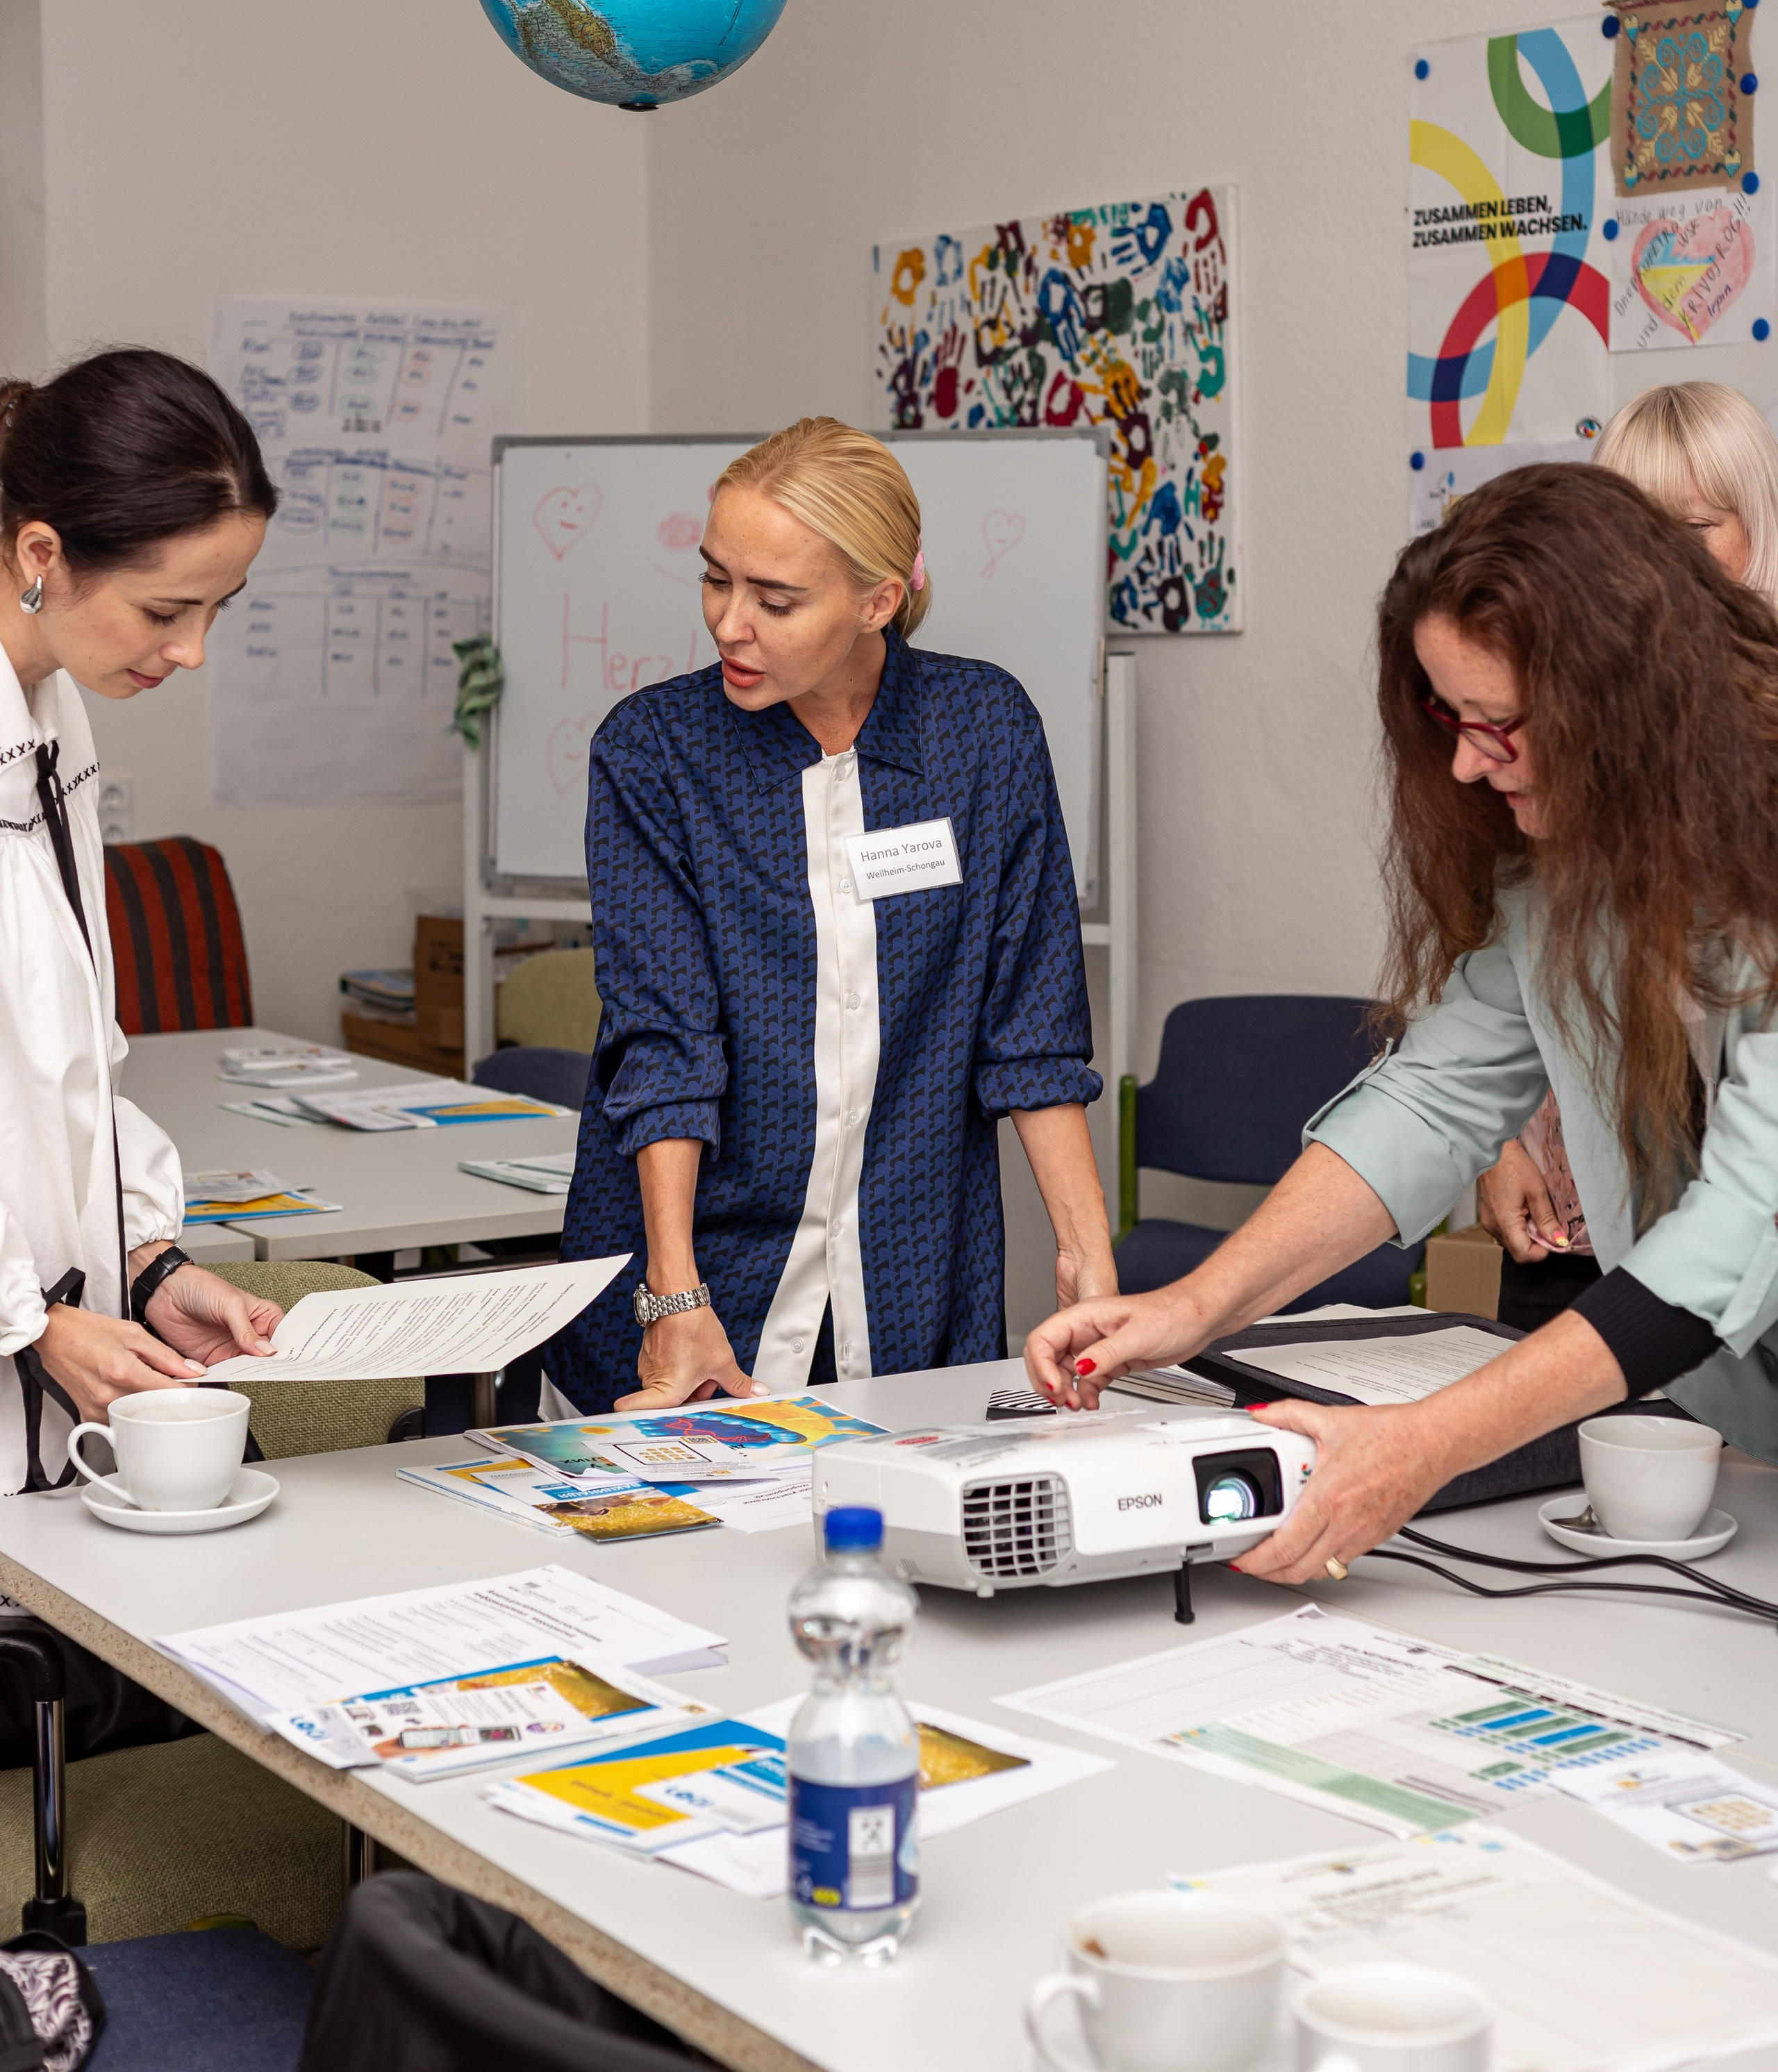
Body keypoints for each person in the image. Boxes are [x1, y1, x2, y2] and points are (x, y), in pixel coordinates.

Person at [1026, 461, 1778, 1582]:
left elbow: (1744, 1222)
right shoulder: (1575, 867)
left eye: (1503, 723)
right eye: (1451, 718)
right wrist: (1196, 1306)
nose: (1470, 763)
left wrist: (1424, 1446)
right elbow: (1433, 1098)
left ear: (1628, 697)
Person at [547, 417, 1115, 1414]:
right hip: (695, 1296)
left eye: (776, 599)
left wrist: (1087, 1259)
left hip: (911, 1286)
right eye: (716, 579)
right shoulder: (656, 754)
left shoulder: (981, 733)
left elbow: (1031, 1032)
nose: (730, 623)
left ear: (878, 601)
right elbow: (666, 1046)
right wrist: (675, 1295)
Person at [0, 350, 286, 1759]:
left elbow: (69, 1067)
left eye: (217, 609)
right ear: (42, 552)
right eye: (169, 608)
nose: (188, 652)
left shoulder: (52, 720)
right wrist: (27, 1322)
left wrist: (149, 1266)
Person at [1480, 382, 1778, 1327]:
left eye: (1694, 528)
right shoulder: (1571, 735)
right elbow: (1492, 987)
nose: (1662, 571)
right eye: (1638, 539)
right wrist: (1496, 1145)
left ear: (1759, 527)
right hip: (1578, 1222)